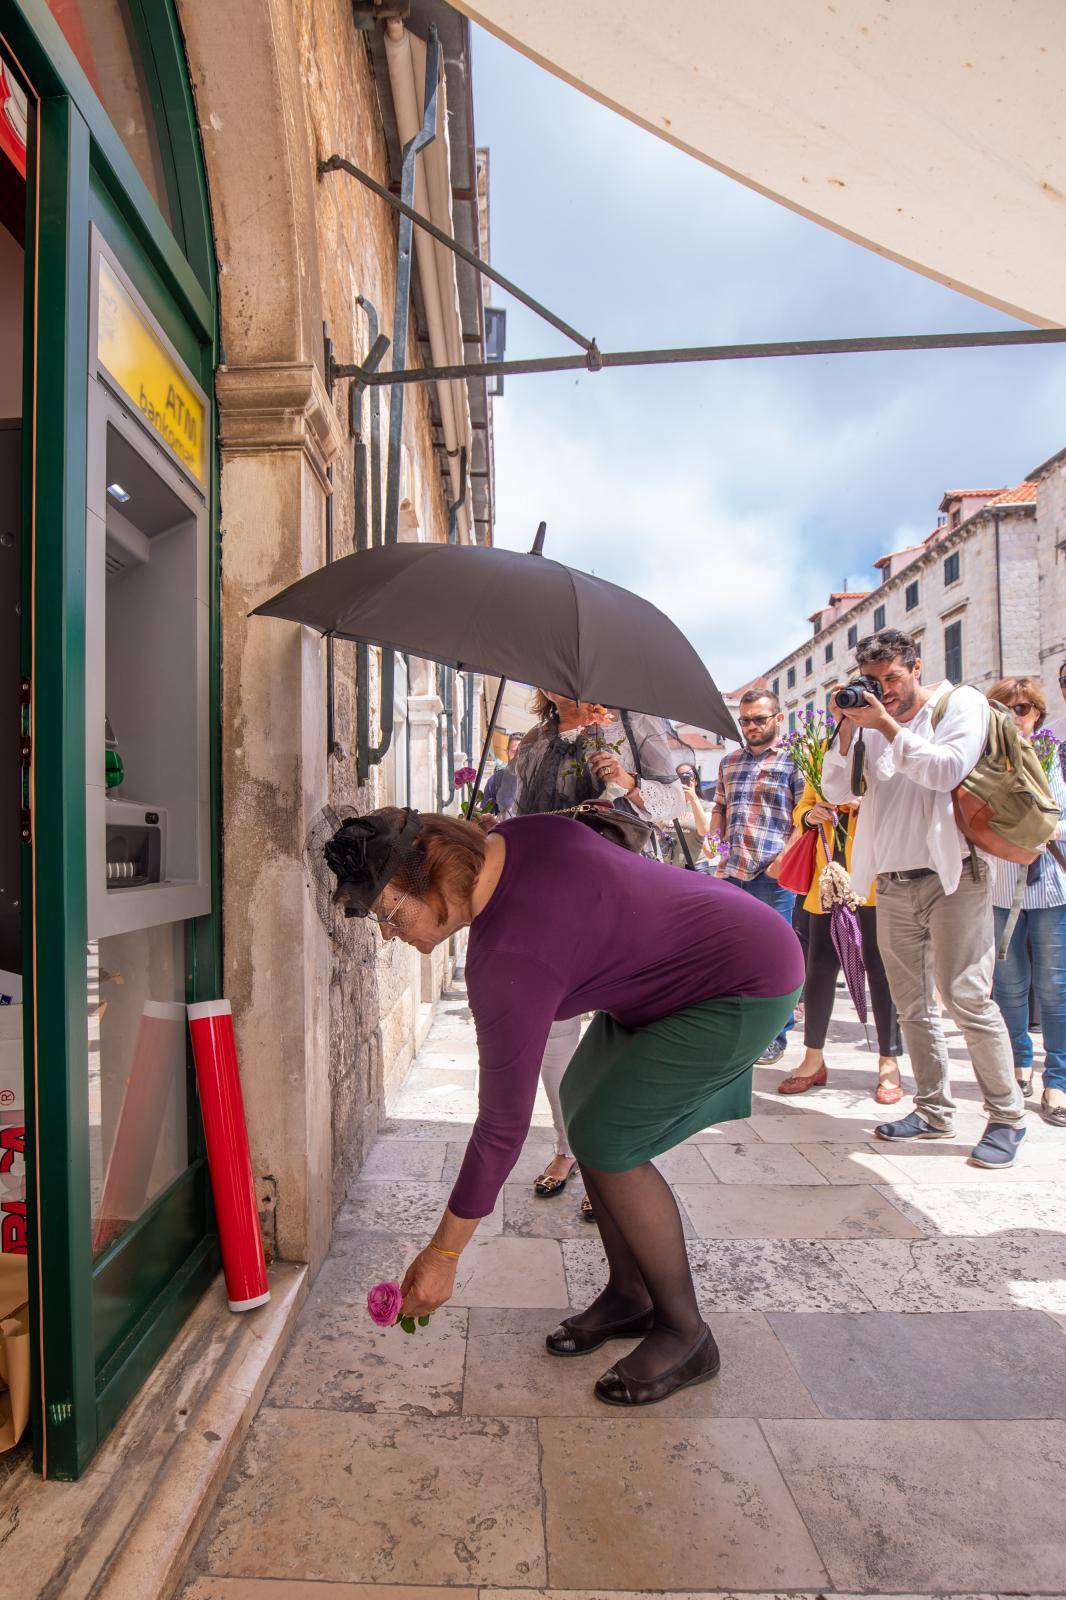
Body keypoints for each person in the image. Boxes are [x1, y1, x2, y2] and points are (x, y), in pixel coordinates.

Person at [325, 806, 803, 1406]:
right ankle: (631, 1294)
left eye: (390, 914)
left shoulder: (507, 961)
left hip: (741, 976)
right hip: (685, 965)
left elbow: (501, 1128)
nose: (391, 935)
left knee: (609, 1140)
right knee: (582, 1107)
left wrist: (443, 1252)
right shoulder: (515, 838)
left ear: (436, 876)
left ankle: (685, 1332)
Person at [823, 628, 1026, 1168]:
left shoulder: (961, 703)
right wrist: (847, 729)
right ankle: (934, 1109)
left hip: (953, 875)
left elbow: (944, 770)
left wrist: (885, 724)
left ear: (916, 666)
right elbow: (838, 793)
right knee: (912, 1006)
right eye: (874, 681)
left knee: (967, 998)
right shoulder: (865, 723)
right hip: (890, 882)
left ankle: (1006, 1115)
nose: (885, 690)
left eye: (893, 678)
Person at [507, 692, 685, 1208]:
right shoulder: (537, 740)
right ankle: (570, 1148)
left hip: (619, 891)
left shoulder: (634, 721)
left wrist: (627, 781)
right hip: (547, 892)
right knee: (553, 1028)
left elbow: (674, 803)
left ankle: (613, 1159)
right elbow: (525, 812)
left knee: (622, 1025)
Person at [775, 776, 904, 1101]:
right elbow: (802, 807)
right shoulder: (822, 752)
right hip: (828, 877)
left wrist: (865, 806)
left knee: (879, 969)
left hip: (872, 880)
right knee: (819, 969)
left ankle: (889, 1062)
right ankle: (813, 1057)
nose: (840, 721)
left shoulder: (881, 749)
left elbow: (904, 805)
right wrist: (811, 814)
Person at [985, 677, 1066, 1128]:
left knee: (1055, 988)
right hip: (1000, 887)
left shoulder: (1058, 757)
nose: (1013, 716)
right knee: (1009, 985)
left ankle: (1059, 1079)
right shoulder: (987, 762)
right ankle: (1019, 1060)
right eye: (1003, 708)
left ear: (1036, 712)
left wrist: (1048, 830)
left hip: (1052, 886)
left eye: (1020, 708)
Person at [711, 687, 803, 1065]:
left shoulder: (796, 760)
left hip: (774, 875)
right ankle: (741, 1028)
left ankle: (775, 1034)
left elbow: (805, 816)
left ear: (778, 718)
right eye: (745, 720)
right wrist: (717, 848)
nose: (750, 726)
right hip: (733, 872)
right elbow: (719, 807)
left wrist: (785, 858)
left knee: (776, 956)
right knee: (736, 953)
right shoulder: (728, 762)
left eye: (759, 719)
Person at [666, 761, 713, 871]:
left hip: (695, 869)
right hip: (669, 869)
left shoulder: (705, 806)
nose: (683, 780)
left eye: (687, 776)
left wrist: (693, 799)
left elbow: (704, 831)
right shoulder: (668, 805)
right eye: (679, 777)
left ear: (695, 780)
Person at [482, 732, 523, 815]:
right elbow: (484, 814)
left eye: (521, 753)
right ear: (507, 751)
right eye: (514, 752)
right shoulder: (494, 782)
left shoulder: (531, 783)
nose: (517, 757)